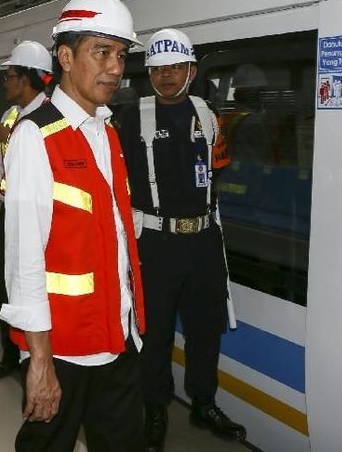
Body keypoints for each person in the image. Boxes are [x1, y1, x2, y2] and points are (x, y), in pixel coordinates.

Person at [0, 0, 147, 451]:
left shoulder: (108, 132)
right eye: (101, 52)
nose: (115, 68)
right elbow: (23, 259)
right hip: (62, 346)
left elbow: (116, 234)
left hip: (117, 335)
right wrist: (37, 359)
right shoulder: (35, 136)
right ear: (65, 56)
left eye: (121, 55)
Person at [115, 28, 245, 451]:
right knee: (154, 336)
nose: (167, 75)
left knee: (207, 329)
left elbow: (217, 166)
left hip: (204, 241)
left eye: (176, 66)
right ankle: (155, 409)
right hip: (156, 245)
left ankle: (203, 402)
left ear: (191, 68)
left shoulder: (208, 115)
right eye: (158, 68)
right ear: (148, 73)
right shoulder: (129, 119)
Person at [0, 41, 53, 379]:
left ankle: (37, 358)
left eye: (9, 76)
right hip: (10, 213)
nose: (4, 83)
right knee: (7, 288)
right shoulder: (11, 116)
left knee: (35, 288)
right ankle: (12, 355)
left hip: (40, 218)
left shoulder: (51, 117)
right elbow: (0, 171)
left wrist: (8, 138)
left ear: (26, 79)